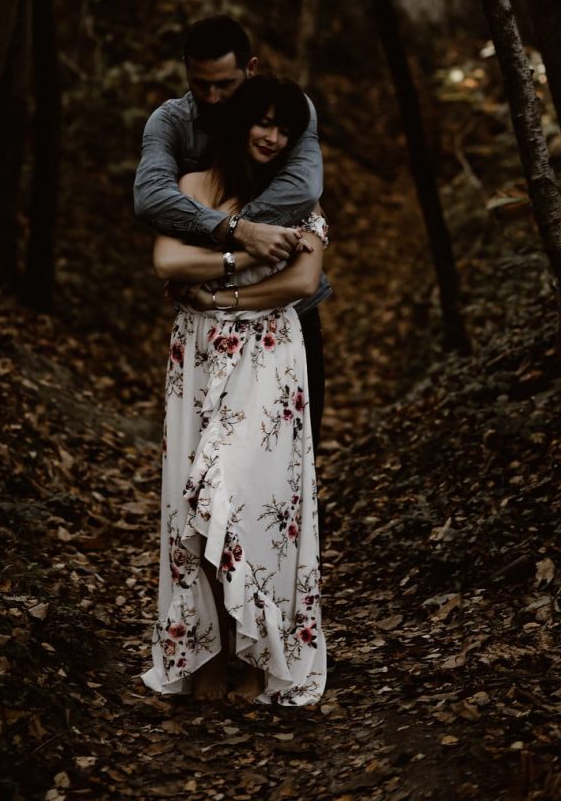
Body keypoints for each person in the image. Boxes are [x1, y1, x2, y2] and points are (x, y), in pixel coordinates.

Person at [142, 75, 328, 704]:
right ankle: (209, 651)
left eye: (286, 129)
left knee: (250, 497)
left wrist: (225, 293)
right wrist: (241, 250)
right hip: (196, 354)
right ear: (238, 122)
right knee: (194, 506)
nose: (273, 137)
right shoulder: (191, 188)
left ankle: (261, 650)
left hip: (270, 355)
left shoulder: (295, 194)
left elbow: (302, 278)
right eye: (263, 123)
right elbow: (168, 262)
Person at [133, 15, 331, 449]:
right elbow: (150, 198)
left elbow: (302, 191)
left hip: (285, 316)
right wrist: (237, 233)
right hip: (207, 329)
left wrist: (201, 248)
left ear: (251, 68)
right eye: (200, 84)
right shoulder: (171, 123)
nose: (213, 97)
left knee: (289, 459)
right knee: (209, 465)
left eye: (224, 84)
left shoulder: (289, 113)